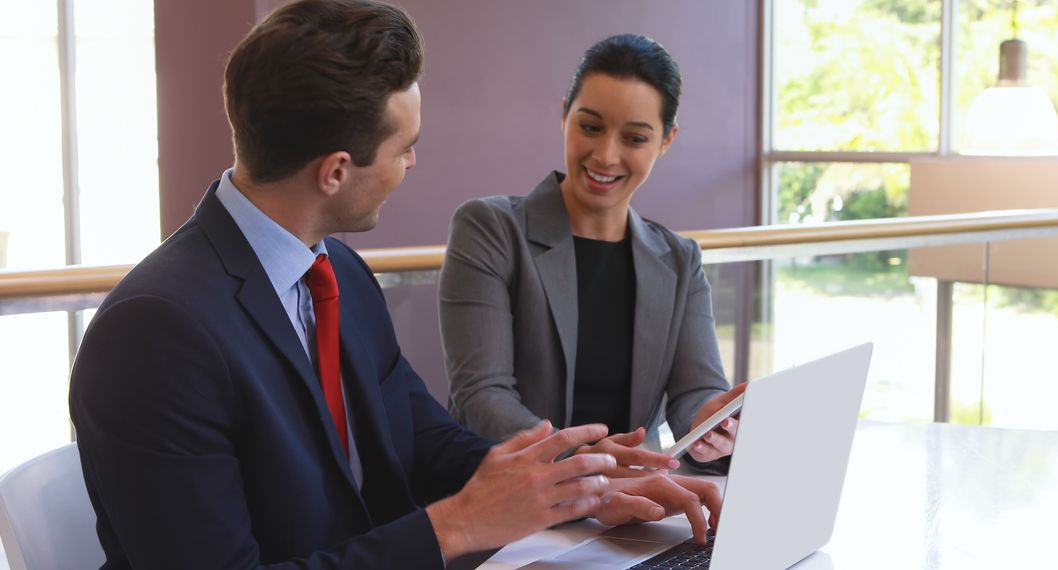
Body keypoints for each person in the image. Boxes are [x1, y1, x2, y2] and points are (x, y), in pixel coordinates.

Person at [68, 2, 735, 568]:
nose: (413, 163)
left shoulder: (340, 274)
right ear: (335, 171)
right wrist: (455, 527)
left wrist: (577, 485)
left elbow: (425, 441)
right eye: (404, 147)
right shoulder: (154, 334)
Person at [440, 34, 742, 471]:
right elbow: (481, 397)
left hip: (627, 498)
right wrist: (586, 465)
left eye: (634, 138)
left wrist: (712, 426)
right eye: (591, 127)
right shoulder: (490, 229)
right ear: (565, 115)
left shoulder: (680, 260)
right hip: (513, 497)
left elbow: (697, 393)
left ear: (666, 140)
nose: (605, 155)